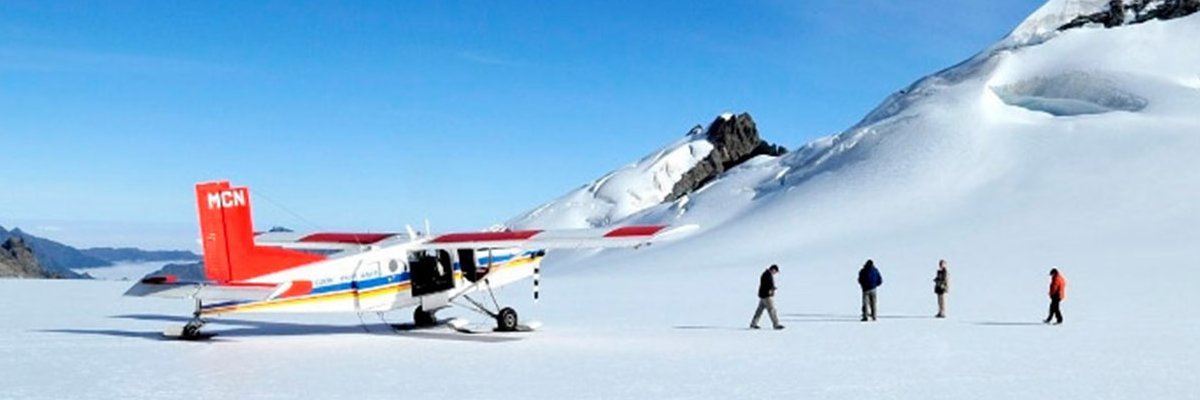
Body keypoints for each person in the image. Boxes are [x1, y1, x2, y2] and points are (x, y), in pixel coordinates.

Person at [750, 264, 784, 330]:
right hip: (767, 296)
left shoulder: (765, 274)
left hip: (762, 295)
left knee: (759, 311)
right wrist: (772, 288)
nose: (775, 273)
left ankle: (753, 324)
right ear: (773, 269)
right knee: (772, 310)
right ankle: (776, 324)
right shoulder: (768, 275)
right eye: (775, 271)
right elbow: (768, 285)